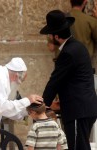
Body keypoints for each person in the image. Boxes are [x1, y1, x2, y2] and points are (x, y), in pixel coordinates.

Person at [40, 9, 97, 150]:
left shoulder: (68, 53)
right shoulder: (78, 47)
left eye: (50, 34)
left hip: (78, 110)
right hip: (85, 108)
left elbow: (55, 81)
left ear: (56, 36)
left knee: (78, 147)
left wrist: (42, 105)